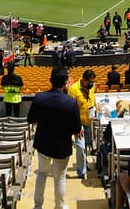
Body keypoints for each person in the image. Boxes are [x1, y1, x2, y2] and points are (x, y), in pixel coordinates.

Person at [27, 66, 81, 209]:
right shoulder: (71, 102)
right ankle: (60, 206)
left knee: (42, 174)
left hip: (43, 144)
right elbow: (76, 129)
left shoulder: (40, 97)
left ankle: (38, 206)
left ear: (51, 80)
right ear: (65, 82)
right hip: (62, 146)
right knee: (60, 179)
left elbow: (30, 119)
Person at [69, 69, 96, 179]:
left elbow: (92, 98)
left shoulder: (92, 86)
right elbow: (70, 108)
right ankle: (81, 171)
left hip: (88, 120)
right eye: (90, 82)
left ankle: (84, 165)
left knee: (86, 145)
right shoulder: (73, 89)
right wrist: (74, 126)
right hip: (78, 123)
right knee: (80, 146)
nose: (92, 84)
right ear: (84, 79)